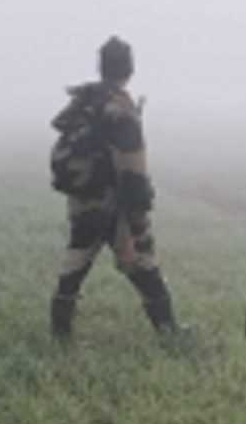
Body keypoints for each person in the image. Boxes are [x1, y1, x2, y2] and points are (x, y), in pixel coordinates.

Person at [48, 36, 177, 338]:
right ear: (129, 69)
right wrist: (137, 218)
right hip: (113, 201)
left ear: (101, 67)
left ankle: (59, 332)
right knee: (143, 259)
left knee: (76, 259)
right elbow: (133, 172)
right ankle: (169, 331)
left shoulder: (86, 101)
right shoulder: (121, 109)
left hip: (82, 197)